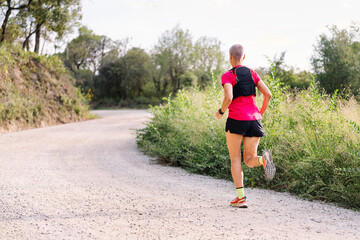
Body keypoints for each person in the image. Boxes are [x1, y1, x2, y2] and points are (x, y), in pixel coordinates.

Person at [215, 44, 275, 208]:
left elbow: (229, 96)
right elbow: (268, 94)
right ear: (244, 56)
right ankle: (263, 160)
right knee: (250, 159)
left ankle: (241, 198)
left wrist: (221, 111)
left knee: (236, 159)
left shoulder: (228, 75)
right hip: (254, 120)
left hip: (236, 120)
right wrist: (260, 113)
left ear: (230, 56)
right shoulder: (252, 73)